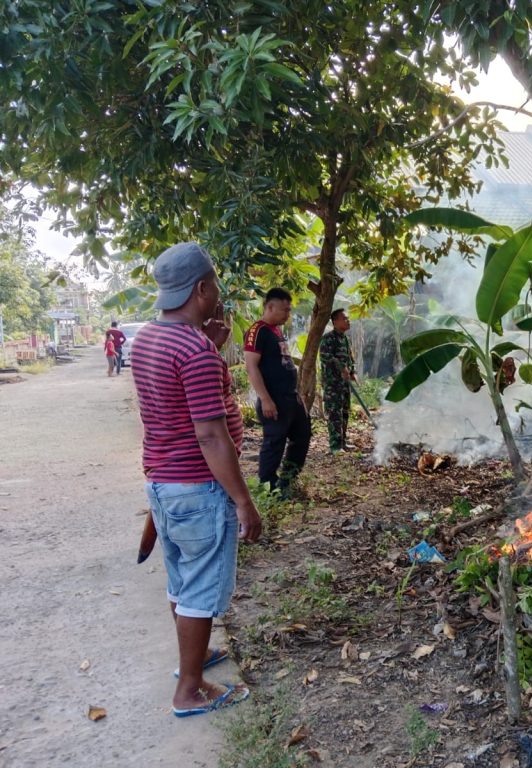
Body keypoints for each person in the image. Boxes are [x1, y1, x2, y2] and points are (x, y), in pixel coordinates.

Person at [130, 242, 260, 717]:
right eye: (216, 285)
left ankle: (196, 656)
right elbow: (210, 435)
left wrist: (210, 344)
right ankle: (189, 689)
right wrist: (243, 500)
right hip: (197, 490)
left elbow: (178, 400)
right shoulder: (196, 352)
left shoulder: (148, 338)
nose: (219, 292)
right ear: (202, 289)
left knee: (182, 579)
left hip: (163, 485)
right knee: (202, 588)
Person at [244, 287, 311, 494]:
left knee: (303, 435)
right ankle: (268, 486)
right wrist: (265, 399)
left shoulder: (276, 330)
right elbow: (251, 366)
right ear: (270, 306)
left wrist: (297, 393)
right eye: (285, 310)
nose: (288, 314)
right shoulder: (257, 331)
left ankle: (288, 480)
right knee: (274, 443)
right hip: (274, 399)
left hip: (290, 397)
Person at [319, 308, 356, 453]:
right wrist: (341, 368)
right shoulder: (328, 338)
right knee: (335, 414)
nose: (348, 320)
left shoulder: (345, 339)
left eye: (348, 318)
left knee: (345, 412)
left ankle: (343, 443)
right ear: (335, 322)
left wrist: (352, 371)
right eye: (345, 318)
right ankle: (335, 446)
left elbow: (349, 358)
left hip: (344, 384)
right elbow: (326, 357)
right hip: (332, 384)